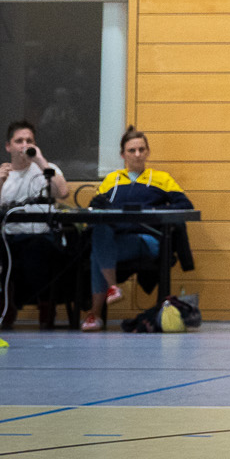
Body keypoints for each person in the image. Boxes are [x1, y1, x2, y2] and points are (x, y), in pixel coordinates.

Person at [81, 128, 180, 332]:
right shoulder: (112, 181)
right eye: (132, 150)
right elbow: (95, 206)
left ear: (148, 152)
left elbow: (184, 205)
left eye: (141, 149)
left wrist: (151, 210)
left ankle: (95, 314)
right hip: (117, 239)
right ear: (122, 155)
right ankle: (113, 288)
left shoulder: (162, 179)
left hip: (147, 240)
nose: (137, 154)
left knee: (97, 254)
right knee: (99, 236)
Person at [0, 119, 71, 326]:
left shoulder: (48, 169)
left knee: (38, 250)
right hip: (10, 237)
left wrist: (41, 161)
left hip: (42, 236)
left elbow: (62, 192)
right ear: (8, 146)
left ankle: (45, 308)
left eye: (29, 141)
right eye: (19, 141)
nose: (24, 145)